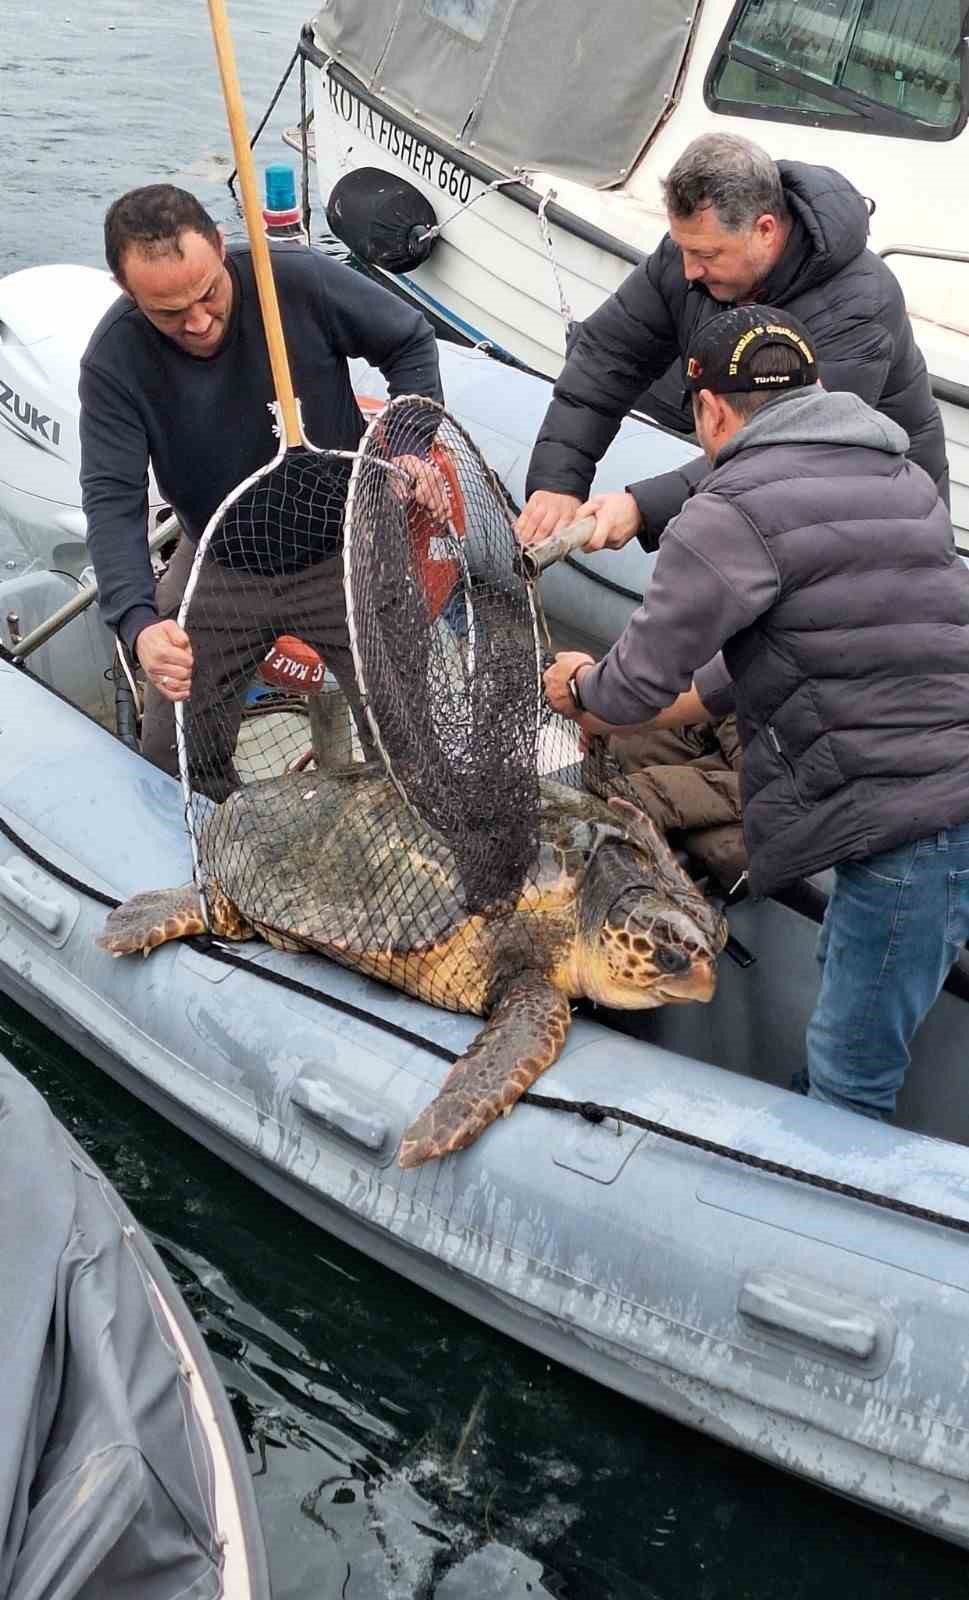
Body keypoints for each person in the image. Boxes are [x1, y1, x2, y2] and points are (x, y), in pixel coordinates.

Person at [544, 305, 969, 1122]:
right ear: (815, 387)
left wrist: (577, 687)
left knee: (848, 1082)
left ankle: (824, 1223)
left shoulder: (725, 513)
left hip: (902, 826)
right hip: (948, 791)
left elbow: (629, 690)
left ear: (706, 409)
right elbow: (823, 636)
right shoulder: (901, 477)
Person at [80, 184, 445, 795]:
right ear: (128, 292)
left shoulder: (295, 283)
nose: (197, 323)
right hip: (220, 561)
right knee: (171, 756)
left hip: (349, 545)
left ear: (222, 250)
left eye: (209, 294)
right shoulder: (114, 361)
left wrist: (407, 444)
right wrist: (140, 624)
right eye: (169, 313)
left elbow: (408, 339)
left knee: (409, 741)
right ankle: (216, 857)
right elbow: (112, 500)